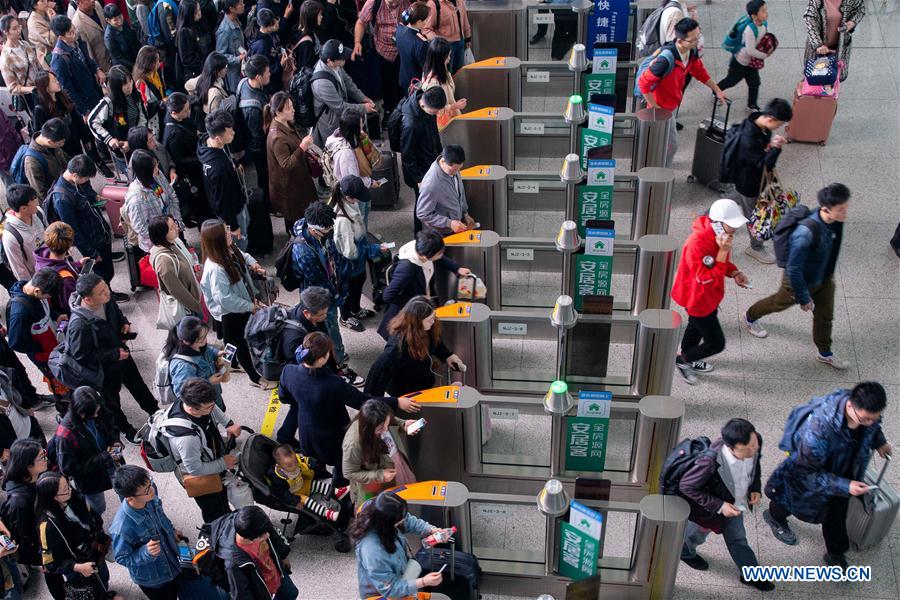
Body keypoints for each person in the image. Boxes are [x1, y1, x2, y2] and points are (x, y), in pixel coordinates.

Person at [763, 382, 891, 569]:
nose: (870, 423)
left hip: (843, 472)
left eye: (875, 418)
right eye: (865, 419)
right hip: (807, 477)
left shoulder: (864, 409)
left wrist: (879, 441)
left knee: (836, 514)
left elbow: (873, 427)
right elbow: (806, 474)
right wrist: (845, 486)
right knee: (790, 501)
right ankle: (775, 516)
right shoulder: (817, 430)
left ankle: (835, 554)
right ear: (850, 406)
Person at [743, 183, 851, 369]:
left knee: (825, 315)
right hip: (799, 281)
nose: (845, 214)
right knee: (778, 303)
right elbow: (794, 269)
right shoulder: (805, 233)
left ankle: (824, 352)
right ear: (826, 208)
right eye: (841, 210)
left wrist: (828, 276)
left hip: (823, 277)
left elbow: (833, 248)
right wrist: (803, 297)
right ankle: (751, 316)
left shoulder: (836, 221)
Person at [278, 332, 400, 487]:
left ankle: (319, 480)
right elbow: (362, 401)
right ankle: (339, 486)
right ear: (323, 358)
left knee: (314, 461)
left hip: (307, 431)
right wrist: (396, 402)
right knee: (341, 465)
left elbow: (284, 397)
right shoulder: (333, 383)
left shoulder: (288, 371)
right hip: (333, 434)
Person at [678, 418, 774, 591]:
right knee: (697, 531)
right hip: (710, 510)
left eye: (754, 445)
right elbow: (687, 486)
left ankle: (751, 574)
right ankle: (685, 551)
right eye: (747, 449)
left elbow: (755, 466)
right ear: (731, 448)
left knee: (737, 539)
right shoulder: (709, 462)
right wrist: (721, 506)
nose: (753, 450)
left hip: (736, 505)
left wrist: (754, 487)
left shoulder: (754, 440)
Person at [66, 273, 160, 440]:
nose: (107, 293)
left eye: (106, 288)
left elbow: (115, 311)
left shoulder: (106, 298)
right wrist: (113, 354)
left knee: (138, 386)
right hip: (105, 369)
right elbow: (81, 355)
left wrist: (124, 322)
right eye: (102, 292)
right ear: (87, 299)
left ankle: (155, 411)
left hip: (122, 356)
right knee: (111, 403)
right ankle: (125, 428)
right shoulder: (79, 325)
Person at [670, 199, 751, 384]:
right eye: (732, 224)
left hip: (708, 298)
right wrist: (723, 252)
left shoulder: (719, 236)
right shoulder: (697, 244)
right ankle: (683, 359)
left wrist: (735, 272)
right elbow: (706, 278)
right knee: (716, 343)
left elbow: (718, 264)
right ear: (718, 223)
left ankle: (687, 354)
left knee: (695, 327)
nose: (736, 228)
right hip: (698, 299)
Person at [636, 18, 727, 168]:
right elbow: (644, 83)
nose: (697, 42)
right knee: (671, 145)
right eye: (693, 39)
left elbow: (699, 71)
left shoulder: (691, 52)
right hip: (661, 109)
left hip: (672, 104)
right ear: (680, 40)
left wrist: (717, 90)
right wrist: (655, 107)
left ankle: (660, 165)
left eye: (699, 36)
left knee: (664, 143)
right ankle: (660, 172)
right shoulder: (665, 60)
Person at [199, 219, 275, 389]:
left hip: (239, 306)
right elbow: (225, 299)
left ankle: (230, 363)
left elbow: (243, 255)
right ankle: (255, 378)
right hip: (230, 312)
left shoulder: (227, 249)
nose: (230, 233)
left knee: (232, 341)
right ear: (217, 240)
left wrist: (253, 264)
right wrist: (250, 306)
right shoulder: (216, 269)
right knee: (239, 343)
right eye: (225, 232)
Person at [720, 98, 792, 265]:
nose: (779, 128)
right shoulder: (749, 138)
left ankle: (710, 215)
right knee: (754, 216)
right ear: (771, 119)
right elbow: (764, 163)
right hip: (750, 183)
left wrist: (770, 145)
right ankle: (756, 247)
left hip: (746, 179)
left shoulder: (756, 121)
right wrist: (775, 148)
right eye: (779, 124)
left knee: (737, 197)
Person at [165, 378, 244, 522]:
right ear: (192, 408)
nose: (211, 409)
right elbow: (194, 469)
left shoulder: (189, 401)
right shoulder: (186, 439)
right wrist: (223, 463)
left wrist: (227, 423)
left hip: (211, 459)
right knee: (215, 512)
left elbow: (212, 407)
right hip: (201, 478)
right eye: (207, 408)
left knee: (223, 500)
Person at [290, 201, 353, 369]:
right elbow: (319, 281)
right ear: (313, 229)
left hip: (331, 286)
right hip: (320, 296)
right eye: (326, 230)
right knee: (331, 327)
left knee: (330, 326)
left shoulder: (322, 233)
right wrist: (337, 295)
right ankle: (338, 362)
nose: (329, 232)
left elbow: (333, 255)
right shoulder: (303, 251)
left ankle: (336, 353)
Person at [109, 465, 186, 599]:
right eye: (146, 490)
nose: (152, 490)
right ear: (130, 498)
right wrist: (145, 552)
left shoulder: (150, 499)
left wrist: (171, 530)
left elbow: (162, 518)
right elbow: (121, 558)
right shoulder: (122, 528)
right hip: (155, 580)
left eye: (150, 483)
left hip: (172, 562)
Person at [47, 155, 123, 288]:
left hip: (100, 232)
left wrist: (95, 197)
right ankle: (107, 295)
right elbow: (72, 231)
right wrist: (91, 253)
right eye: (86, 178)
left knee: (108, 268)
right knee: (101, 274)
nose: (88, 180)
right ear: (75, 175)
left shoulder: (79, 181)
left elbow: (90, 193)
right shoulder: (62, 198)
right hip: (91, 242)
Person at [36, 471, 115, 598]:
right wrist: (76, 567)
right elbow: (50, 563)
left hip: (94, 552)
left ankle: (104, 590)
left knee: (103, 577)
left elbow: (94, 518)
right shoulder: (47, 526)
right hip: (78, 566)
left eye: (68, 485)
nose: (70, 490)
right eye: (65, 490)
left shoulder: (75, 497)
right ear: (53, 497)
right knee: (92, 591)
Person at [378, 229, 469, 339]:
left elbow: (438, 257)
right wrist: (418, 300)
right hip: (408, 312)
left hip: (421, 303)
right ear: (425, 257)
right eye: (440, 252)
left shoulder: (420, 247)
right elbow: (388, 295)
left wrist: (457, 268)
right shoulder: (406, 269)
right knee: (408, 341)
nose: (442, 254)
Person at [0, 440, 62, 600]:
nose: (46, 459)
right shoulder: (19, 502)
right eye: (42, 457)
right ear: (28, 466)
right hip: (45, 550)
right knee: (55, 578)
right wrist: (43, 560)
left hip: (52, 537)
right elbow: (26, 539)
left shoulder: (33, 479)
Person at [351, 491, 443, 598]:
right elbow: (390, 589)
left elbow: (407, 520)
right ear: (388, 523)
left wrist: (431, 529)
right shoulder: (373, 551)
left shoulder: (378, 510)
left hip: (401, 576)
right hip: (382, 595)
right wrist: (423, 582)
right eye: (399, 521)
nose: (403, 521)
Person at [367, 296, 465, 396]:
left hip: (423, 382)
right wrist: (392, 404)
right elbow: (373, 386)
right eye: (430, 319)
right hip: (406, 395)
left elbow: (435, 340)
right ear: (417, 323)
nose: (433, 321)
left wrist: (447, 356)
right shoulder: (395, 349)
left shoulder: (426, 328)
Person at [50, 386, 122, 515]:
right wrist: (104, 457)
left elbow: (111, 425)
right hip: (90, 479)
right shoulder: (66, 435)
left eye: (97, 410)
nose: (96, 415)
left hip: (112, 461)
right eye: (92, 413)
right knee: (98, 508)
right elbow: (68, 468)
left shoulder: (96, 407)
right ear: (81, 411)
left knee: (127, 490)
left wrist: (115, 442)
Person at [330, 176, 388, 332]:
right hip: (348, 266)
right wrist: (374, 249)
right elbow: (350, 252)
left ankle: (355, 309)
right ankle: (345, 317)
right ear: (349, 197)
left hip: (357, 265)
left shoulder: (349, 203)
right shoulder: (343, 220)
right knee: (348, 291)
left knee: (359, 283)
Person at [342, 399, 420, 508]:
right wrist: (380, 475)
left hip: (391, 465)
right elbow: (349, 473)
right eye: (381, 428)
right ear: (369, 428)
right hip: (373, 485)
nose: (385, 430)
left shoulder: (379, 420)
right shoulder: (352, 445)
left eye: (386, 425)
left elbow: (388, 419)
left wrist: (403, 424)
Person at [209, 505, 298, 599]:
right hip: (262, 588)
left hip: (277, 573)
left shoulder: (253, 520)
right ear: (249, 539)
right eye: (262, 536)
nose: (267, 535)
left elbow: (273, 534)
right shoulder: (234, 564)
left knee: (292, 594)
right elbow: (241, 595)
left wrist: (283, 555)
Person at [265, 91, 317, 233]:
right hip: (289, 189)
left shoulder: (286, 124)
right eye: (289, 108)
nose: (293, 109)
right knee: (296, 224)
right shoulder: (277, 137)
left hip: (297, 182)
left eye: (292, 106)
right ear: (278, 113)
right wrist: (303, 147)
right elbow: (286, 164)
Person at [200, 110, 251, 251]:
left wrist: (233, 162)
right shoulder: (218, 169)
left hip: (234, 201)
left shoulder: (206, 142)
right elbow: (223, 201)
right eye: (229, 132)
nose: (233, 133)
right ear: (218, 138)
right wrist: (233, 226)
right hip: (233, 211)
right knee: (239, 242)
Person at [311, 38, 376, 146]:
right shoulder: (321, 83)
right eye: (341, 58)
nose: (345, 59)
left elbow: (347, 82)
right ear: (329, 61)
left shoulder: (336, 66)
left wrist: (363, 98)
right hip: (331, 126)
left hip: (341, 118)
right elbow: (340, 107)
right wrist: (363, 108)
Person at [399, 86, 446, 231]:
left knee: (430, 200)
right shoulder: (410, 124)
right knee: (422, 204)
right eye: (434, 111)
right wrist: (419, 179)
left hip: (430, 160)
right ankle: (420, 235)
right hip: (419, 172)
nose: (436, 114)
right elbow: (407, 156)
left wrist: (440, 155)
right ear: (424, 104)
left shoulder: (427, 108)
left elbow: (434, 133)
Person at [352, 0, 409, 119]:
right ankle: (389, 112)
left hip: (404, 48)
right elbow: (361, 23)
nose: (393, 4)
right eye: (390, 2)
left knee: (404, 82)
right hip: (384, 50)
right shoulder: (373, 3)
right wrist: (357, 42)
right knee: (388, 83)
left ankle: (405, 110)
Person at [324, 108, 381, 227]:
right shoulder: (346, 154)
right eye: (360, 125)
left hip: (349, 190)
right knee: (359, 219)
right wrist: (370, 182)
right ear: (354, 128)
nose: (363, 127)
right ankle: (363, 240)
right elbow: (353, 180)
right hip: (353, 194)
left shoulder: (335, 137)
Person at [87, 64, 148, 171]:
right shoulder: (109, 103)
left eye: (130, 81)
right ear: (116, 86)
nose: (129, 86)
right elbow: (92, 121)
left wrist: (134, 140)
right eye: (124, 84)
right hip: (121, 149)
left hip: (137, 142)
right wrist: (109, 139)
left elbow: (142, 117)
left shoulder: (135, 95)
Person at [6, 268, 63, 382]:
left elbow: (44, 304)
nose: (49, 298)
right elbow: (15, 343)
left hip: (51, 341)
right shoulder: (20, 313)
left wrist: (56, 316)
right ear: (37, 291)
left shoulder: (35, 290)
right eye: (48, 296)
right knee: (55, 377)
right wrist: (39, 348)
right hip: (42, 354)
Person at [121, 149, 183, 255]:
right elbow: (140, 228)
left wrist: (175, 223)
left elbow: (171, 196)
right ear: (145, 172)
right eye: (154, 167)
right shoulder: (136, 198)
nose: (157, 169)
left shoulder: (157, 176)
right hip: (157, 245)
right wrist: (166, 233)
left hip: (172, 231)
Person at [162, 316, 231, 409]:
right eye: (201, 339)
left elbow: (207, 349)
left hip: (213, 396)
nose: (205, 341)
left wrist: (216, 353)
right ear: (186, 341)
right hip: (203, 406)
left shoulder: (197, 346)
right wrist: (209, 382)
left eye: (205, 337)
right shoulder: (183, 366)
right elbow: (183, 394)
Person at [162, 92, 210, 226]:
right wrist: (201, 159)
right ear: (174, 113)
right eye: (185, 111)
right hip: (190, 172)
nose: (188, 112)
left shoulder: (180, 120)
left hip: (195, 160)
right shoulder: (174, 134)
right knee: (199, 203)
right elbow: (179, 160)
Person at [268, 444, 348, 521]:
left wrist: (312, 462)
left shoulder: (295, 460)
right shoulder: (279, 479)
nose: (294, 466)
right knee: (308, 501)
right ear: (279, 466)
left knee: (316, 484)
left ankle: (337, 492)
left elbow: (304, 460)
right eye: (290, 465)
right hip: (296, 494)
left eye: (295, 462)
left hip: (303, 484)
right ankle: (326, 513)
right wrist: (296, 501)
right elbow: (284, 495)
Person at [717, 0, 771, 112]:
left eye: (766, 10)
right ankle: (716, 91)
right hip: (740, 62)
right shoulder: (749, 30)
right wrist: (764, 55)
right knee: (731, 81)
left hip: (751, 63)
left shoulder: (764, 24)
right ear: (754, 16)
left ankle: (752, 105)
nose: (767, 13)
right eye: (763, 11)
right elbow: (750, 50)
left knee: (755, 83)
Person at [31, 70, 96, 162]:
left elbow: (77, 119)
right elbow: (42, 135)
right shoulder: (40, 109)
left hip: (76, 143)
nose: (57, 82)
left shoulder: (62, 97)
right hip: (61, 151)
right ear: (46, 86)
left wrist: (86, 138)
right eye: (54, 81)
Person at [49, 14, 106, 117]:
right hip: (86, 101)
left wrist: (97, 69)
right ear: (61, 37)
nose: (75, 33)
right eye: (70, 33)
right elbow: (68, 89)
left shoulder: (76, 40)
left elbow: (87, 59)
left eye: (74, 28)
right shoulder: (59, 59)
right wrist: (84, 111)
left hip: (94, 89)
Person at [149, 215, 203, 321]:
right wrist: (196, 306)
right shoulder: (164, 261)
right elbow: (176, 290)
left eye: (175, 224)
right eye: (172, 228)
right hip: (187, 308)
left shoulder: (175, 241)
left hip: (193, 299)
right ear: (162, 234)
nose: (177, 228)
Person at [236, 55, 272, 210]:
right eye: (268, 72)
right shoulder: (251, 107)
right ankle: (268, 203)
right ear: (258, 77)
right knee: (264, 174)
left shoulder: (243, 82)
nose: (270, 74)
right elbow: (257, 136)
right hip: (258, 147)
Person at [416, 144, 473, 235]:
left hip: (455, 226)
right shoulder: (431, 184)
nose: (456, 173)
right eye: (453, 170)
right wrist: (449, 223)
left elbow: (459, 193)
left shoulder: (453, 169)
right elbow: (422, 213)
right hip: (441, 233)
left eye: (458, 169)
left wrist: (465, 214)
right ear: (443, 161)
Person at [803, 0, 864, 82]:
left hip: (840, 47)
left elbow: (860, 10)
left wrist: (852, 22)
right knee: (814, 77)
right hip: (819, 47)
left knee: (835, 78)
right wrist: (818, 44)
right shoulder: (817, 1)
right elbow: (809, 18)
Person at [33, 221, 86, 316]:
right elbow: (72, 304)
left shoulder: (43, 257)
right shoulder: (66, 279)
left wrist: (77, 264)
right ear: (69, 245)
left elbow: (59, 264)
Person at [2, 184, 48, 282]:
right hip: (41, 281)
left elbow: (50, 235)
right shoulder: (10, 236)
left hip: (55, 266)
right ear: (23, 208)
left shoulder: (39, 213)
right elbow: (19, 270)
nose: (37, 202)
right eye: (34, 200)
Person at [421, 36, 467, 129]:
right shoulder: (433, 83)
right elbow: (435, 108)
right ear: (440, 59)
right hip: (444, 125)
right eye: (447, 56)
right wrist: (454, 106)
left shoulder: (440, 69)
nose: (449, 58)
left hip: (450, 118)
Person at [0, 15, 42, 111]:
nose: (18, 30)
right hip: (30, 96)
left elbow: (37, 65)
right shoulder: (6, 58)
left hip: (41, 87)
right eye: (14, 29)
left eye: (19, 26)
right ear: (6, 32)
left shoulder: (24, 44)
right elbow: (12, 88)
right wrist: (31, 89)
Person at [22, 117, 69, 200]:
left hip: (68, 189)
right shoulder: (32, 162)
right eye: (60, 143)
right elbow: (40, 193)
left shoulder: (52, 140)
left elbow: (65, 160)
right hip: (59, 200)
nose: (62, 145)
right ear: (50, 142)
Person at [422, 0, 470, 73]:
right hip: (444, 48)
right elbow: (426, 29)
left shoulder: (460, 1)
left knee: (460, 74)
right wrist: (440, 43)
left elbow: (465, 20)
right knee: (446, 75)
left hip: (460, 43)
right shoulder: (433, 4)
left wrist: (468, 38)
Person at [248, 8, 287, 94]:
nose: (277, 22)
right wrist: (280, 64)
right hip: (269, 87)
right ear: (269, 25)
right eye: (275, 21)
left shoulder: (268, 35)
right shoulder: (261, 45)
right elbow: (263, 69)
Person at [394, 1, 430, 93]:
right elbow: (426, 68)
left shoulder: (399, 29)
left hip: (404, 78)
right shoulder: (421, 43)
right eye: (426, 20)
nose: (427, 22)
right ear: (418, 22)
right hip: (417, 84)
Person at [132, 45, 167, 138]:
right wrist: (161, 103)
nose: (159, 63)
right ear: (150, 64)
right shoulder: (141, 84)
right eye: (157, 61)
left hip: (162, 114)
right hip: (154, 123)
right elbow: (145, 110)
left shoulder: (155, 73)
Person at [70, 0, 111, 72]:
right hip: (104, 64)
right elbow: (88, 52)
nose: (92, 0)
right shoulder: (77, 24)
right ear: (78, 3)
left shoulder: (97, 5)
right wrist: (97, 69)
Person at [217, 0, 247, 93]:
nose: (243, 5)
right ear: (231, 9)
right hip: (232, 74)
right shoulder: (224, 30)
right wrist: (237, 58)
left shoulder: (237, 20)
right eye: (240, 3)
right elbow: (220, 55)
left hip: (241, 69)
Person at [187, 52, 230, 116]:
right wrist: (197, 98)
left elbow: (188, 85)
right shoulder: (215, 93)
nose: (226, 69)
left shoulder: (203, 78)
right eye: (225, 67)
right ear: (217, 70)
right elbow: (215, 117)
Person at [175, 0, 204, 83]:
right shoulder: (184, 32)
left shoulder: (194, 26)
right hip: (194, 74)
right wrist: (204, 66)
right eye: (196, 11)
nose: (199, 13)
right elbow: (187, 59)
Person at [103, 3, 139, 69]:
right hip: (126, 67)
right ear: (108, 20)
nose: (120, 21)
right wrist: (134, 66)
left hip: (136, 59)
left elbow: (135, 41)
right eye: (115, 20)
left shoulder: (125, 23)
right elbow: (118, 58)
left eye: (120, 17)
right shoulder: (109, 37)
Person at [293, 0, 324, 70]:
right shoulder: (306, 44)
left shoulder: (309, 30)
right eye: (319, 15)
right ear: (312, 18)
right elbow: (306, 70)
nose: (321, 17)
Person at [27, 0, 58, 66]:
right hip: (50, 55)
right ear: (35, 6)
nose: (46, 2)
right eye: (42, 1)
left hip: (58, 49)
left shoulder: (46, 12)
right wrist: (54, 21)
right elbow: (51, 41)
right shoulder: (34, 22)